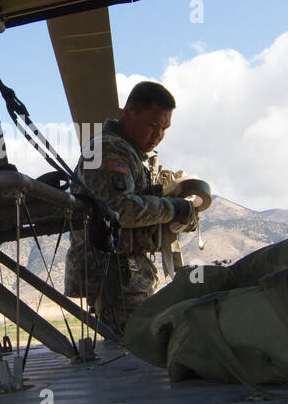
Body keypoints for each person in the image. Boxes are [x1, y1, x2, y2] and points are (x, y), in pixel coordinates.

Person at [64, 81, 197, 341]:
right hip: (114, 274)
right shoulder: (107, 149)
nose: (158, 135)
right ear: (129, 113)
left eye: (164, 129)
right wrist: (174, 209)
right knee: (138, 350)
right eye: (152, 125)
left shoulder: (131, 154)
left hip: (129, 272)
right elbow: (121, 209)